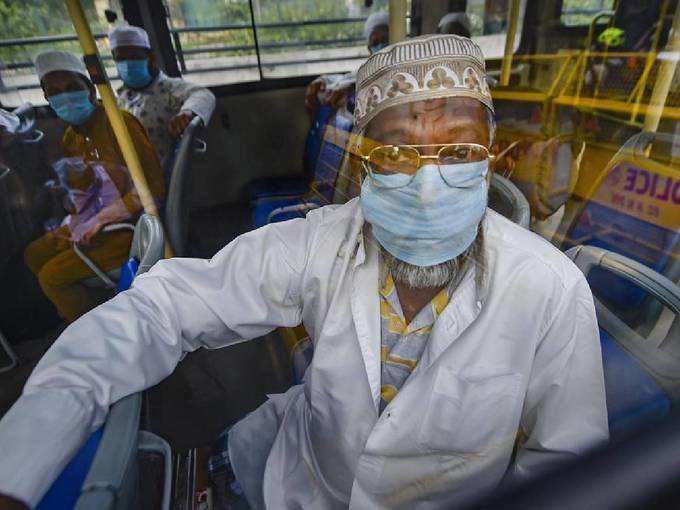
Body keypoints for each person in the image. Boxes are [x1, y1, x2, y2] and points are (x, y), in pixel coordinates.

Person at [0, 35, 607, 510]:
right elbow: (163, 308)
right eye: (396, 152)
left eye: (457, 152)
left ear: (489, 155)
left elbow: (567, 463)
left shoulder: (547, 289)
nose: (427, 184)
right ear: (364, 163)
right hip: (293, 479)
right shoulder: (325, 241)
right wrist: (20, 459)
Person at [22, 50, 164, 323]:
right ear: (46, 98)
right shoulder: (70, 138)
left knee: (52, 277)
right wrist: (76, 218)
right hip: (96, 220)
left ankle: (97, 333)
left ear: (89, 89)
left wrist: (99, 219)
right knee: (34, 253)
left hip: (129, 227)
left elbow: (153, 191)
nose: (65, 96)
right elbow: (84, 193)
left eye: (72, 88)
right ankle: (92, 308)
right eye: (55, 91)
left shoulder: (119, 123)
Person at [109, 24, 216, 164]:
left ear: (151, 58)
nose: (128, 65)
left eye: (134, 57)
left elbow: (203, 95)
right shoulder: (120, 99)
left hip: (164, 174)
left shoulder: (169, 88)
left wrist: (187, 113)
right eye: (120, 59)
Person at [304, 11, 390, 114]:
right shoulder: (367, 70)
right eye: (375, 43)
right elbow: (347, 78)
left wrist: (352, 89)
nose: (380, 46)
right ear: (369, 50)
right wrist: (322, 81)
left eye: (385, 40)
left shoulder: (402, 70)